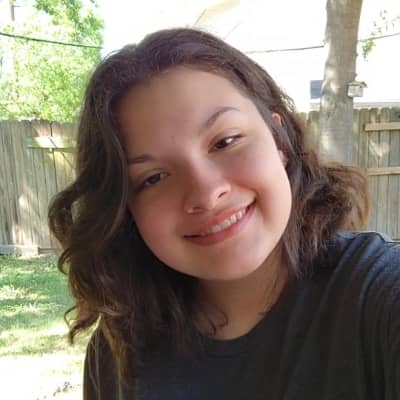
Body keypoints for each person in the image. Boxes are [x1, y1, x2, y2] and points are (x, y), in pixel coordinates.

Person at [48, 28, 400, 400]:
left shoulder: (381, 299)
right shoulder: (117, 349)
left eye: (225, 141)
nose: (205, 193)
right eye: (153, 178)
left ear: (278, 141)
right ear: (124, 210)